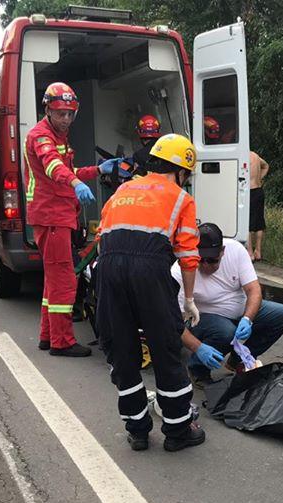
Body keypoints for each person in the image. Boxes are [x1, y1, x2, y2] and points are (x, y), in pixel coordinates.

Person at [94, 133, 205, 452]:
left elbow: (103, 234)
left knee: (122, 349)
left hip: (109, 267)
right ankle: (178, 430)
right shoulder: (180, 198)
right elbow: (188, 255)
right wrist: (188, 299)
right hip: (149, 270)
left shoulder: (123, 190)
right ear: (182, 171)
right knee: (165, 346)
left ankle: (138, 430)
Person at [25, 81, 118, 357]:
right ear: (48, 110)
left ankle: (47, 336)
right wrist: (76, 183)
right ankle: (62, 342)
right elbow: (53, 166)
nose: (65, 118)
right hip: (52, 215)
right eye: (60, 113)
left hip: (57, 215)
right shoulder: (42, 136)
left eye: (69, 113)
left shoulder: (58, 135)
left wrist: (97, 170)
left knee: (52, 281)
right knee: (65, 280)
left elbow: (69, 168)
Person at [172, 222, 283, 383]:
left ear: (222, 252)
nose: (206, 266)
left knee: (282, 314)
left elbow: (254, 290)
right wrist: (198, 347)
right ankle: (198, 369)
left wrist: (247, 319)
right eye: (201, 260)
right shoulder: (180, 271)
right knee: (226, 332)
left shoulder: (235, 251)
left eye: (212, 260)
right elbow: (173, 322)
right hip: (204, 318)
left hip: (239, 310)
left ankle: (238, 360)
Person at [247, 151, 269, 260]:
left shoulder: (243, 156)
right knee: (259, 222)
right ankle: (258, 251)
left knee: (247, 223)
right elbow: (266, 166)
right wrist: (259, 178)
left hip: (249, 192)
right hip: (259, 191)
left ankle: (250, 252)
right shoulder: (255, 156)